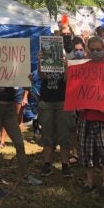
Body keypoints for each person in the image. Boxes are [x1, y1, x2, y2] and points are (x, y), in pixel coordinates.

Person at [77, 36, 104, 199]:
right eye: (93, 49)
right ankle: (89, 181)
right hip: (86, 116)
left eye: (99, 49)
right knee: (86, 149)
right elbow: (76, 91)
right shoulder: (82, 69)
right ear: (88, 50)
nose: (96, 52)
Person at [37, 44, 72, 177]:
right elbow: (41, 76)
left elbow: (67, 81)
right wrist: (40, 62)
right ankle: (47, 164)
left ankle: (65, 164)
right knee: (47, 133)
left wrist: (66, 67)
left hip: (62, 101)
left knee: (64, 134)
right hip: (46, 101)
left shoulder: (65, 62)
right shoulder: (44, 61)